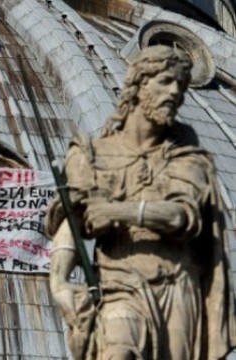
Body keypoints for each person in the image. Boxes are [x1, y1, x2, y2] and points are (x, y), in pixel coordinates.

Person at [46, 46, 236, 359]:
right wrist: (59, 281)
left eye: (181, 86)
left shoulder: (187, 159)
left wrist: (117, 210)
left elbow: (182, 216)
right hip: (119, 284)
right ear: (138, 84)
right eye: (165, 81)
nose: (175, 92)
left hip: (177, 287)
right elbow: (73, 217)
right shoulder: (90, 155)